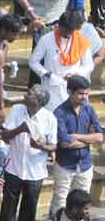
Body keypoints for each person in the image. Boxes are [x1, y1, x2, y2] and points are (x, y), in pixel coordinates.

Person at [0, 85, 57, 221]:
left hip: (35, 173)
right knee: (7, 210)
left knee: (28, 212)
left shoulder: (50, 119)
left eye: (30, 94)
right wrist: (20, 129)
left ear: (38, 101)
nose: (25, 95)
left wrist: (40, 146)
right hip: (13, 168)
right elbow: (5, 137)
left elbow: (53, 146)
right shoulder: (16, 110)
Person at [50, 75, 103, 219]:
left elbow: (100, 137)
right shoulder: (59, 112)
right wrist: (89, 140)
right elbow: (65, 143)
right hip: (65, 166)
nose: (84, 97)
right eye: (81, 93)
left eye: (86, 93)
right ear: (69, 92)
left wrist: (76, 136)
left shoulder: (89, 109)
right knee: (59, 204)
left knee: (82, 205)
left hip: (85, 165)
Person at [29, 12, 93, 111]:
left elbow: (89, 65)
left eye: (69, 30)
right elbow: (33, 62)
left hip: (74, 88)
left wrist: (75, 74)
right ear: (59, 25)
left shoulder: (82, 41)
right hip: (52, 87)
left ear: (74, 29)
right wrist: (46, 74)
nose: (66, 32)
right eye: (64, 29)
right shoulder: (47, 39)